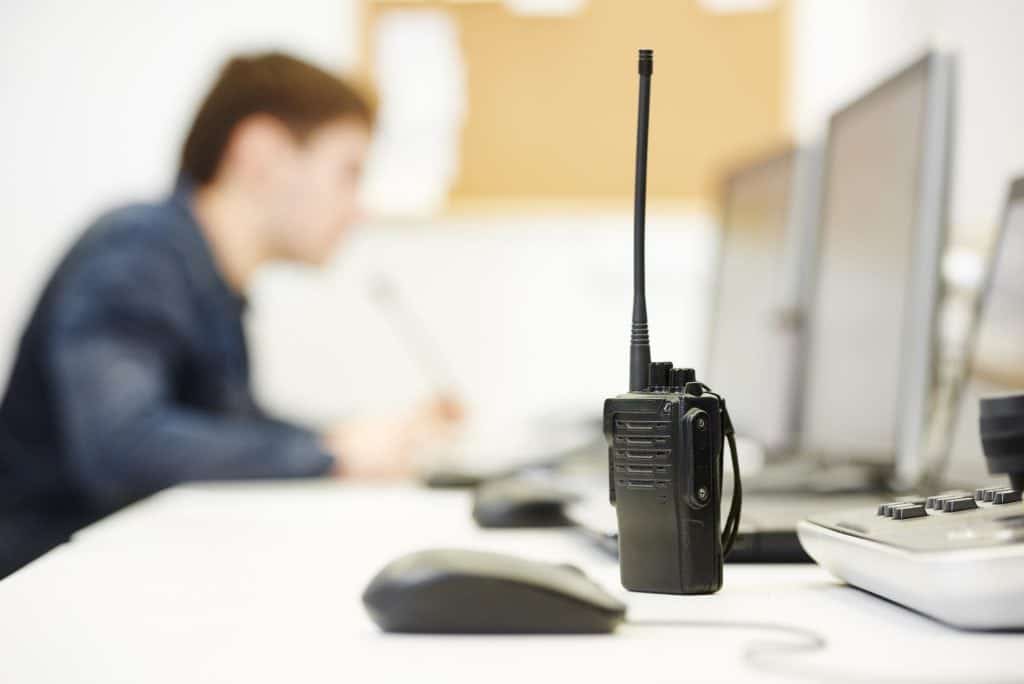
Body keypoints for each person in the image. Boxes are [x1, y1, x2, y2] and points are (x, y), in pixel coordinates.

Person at [0, 53, 462, 578]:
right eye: (348, 172)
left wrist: (353, 438)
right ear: (259, 153)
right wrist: (331, 454)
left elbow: (227, 428)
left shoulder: (208, 277)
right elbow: (122, 447)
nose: (360, 206)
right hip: (40, 584)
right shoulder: (136, 254)